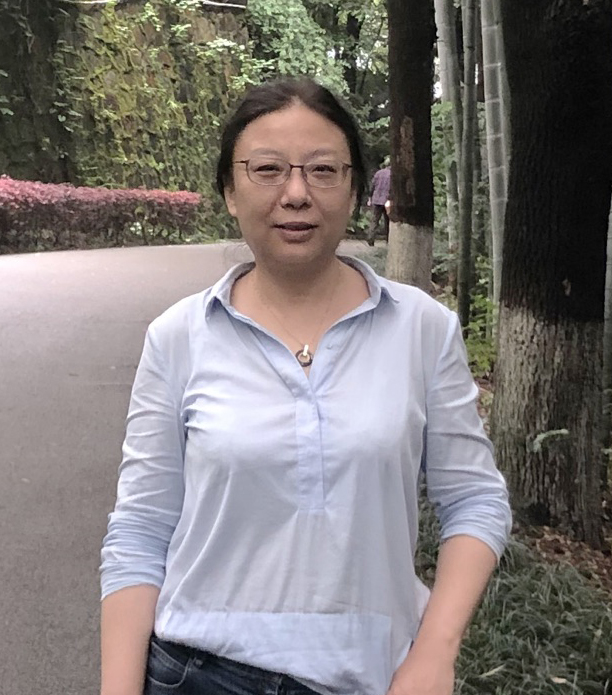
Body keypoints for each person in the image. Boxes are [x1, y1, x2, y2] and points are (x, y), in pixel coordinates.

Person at [100, 77, 512, 695]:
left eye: (322, 170)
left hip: (374, 676)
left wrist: (435, 653)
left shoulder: (422, 329)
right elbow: (140, 530)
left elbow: (474, 499)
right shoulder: (179, 336)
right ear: (230, 191)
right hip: (197, 672)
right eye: (267, 169)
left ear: (355, 189)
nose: (296, 194)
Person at [366, 157, 391, 246]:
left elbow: (372, 186)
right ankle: (388, 240)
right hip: (387, 200)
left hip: (376, 199)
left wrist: (370, 197)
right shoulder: (392, 174)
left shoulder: (378, 173)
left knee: (374, 220)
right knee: (388, 221)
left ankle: (370, 238)